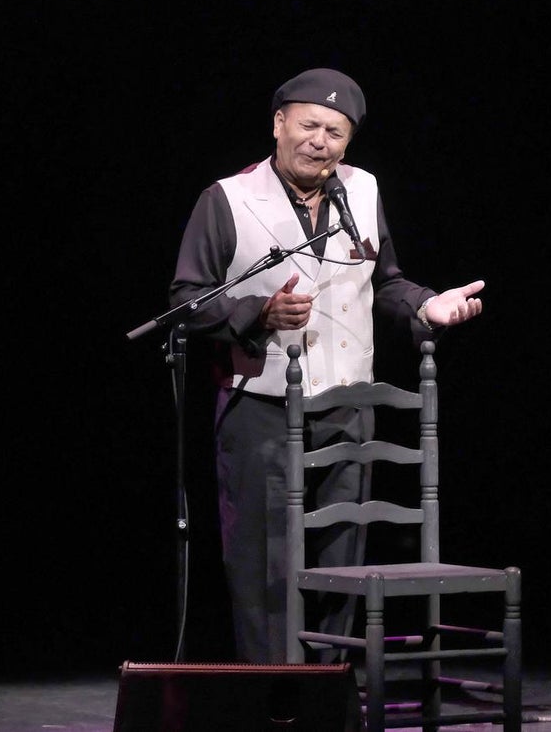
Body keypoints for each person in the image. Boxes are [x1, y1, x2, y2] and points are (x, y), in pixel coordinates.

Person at [169, 67, 485, 664]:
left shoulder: (362, 191)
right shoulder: (228, 199)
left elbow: (384, 282)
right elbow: (187, 301)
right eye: (309, 126)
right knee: (264, 562)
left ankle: (330, 688)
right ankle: (271, 691)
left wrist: (427, 305)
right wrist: (259, 311)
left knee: (345, 558)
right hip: (260, 405)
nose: (319, 142)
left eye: (335, 133)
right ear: (279, 123)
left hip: (348, 404)